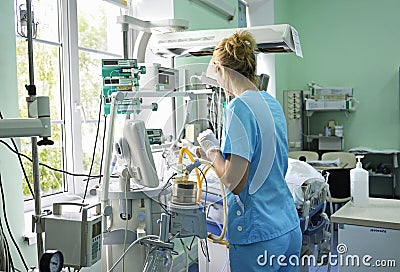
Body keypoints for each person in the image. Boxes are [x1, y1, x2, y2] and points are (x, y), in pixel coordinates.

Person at [196, 30, 301, 271]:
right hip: (286, 227)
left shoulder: (239, 107)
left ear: (220, 68)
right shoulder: (270, 102)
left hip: (258, 235)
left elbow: (236, 182)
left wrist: (211, 149)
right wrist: (214, 158)